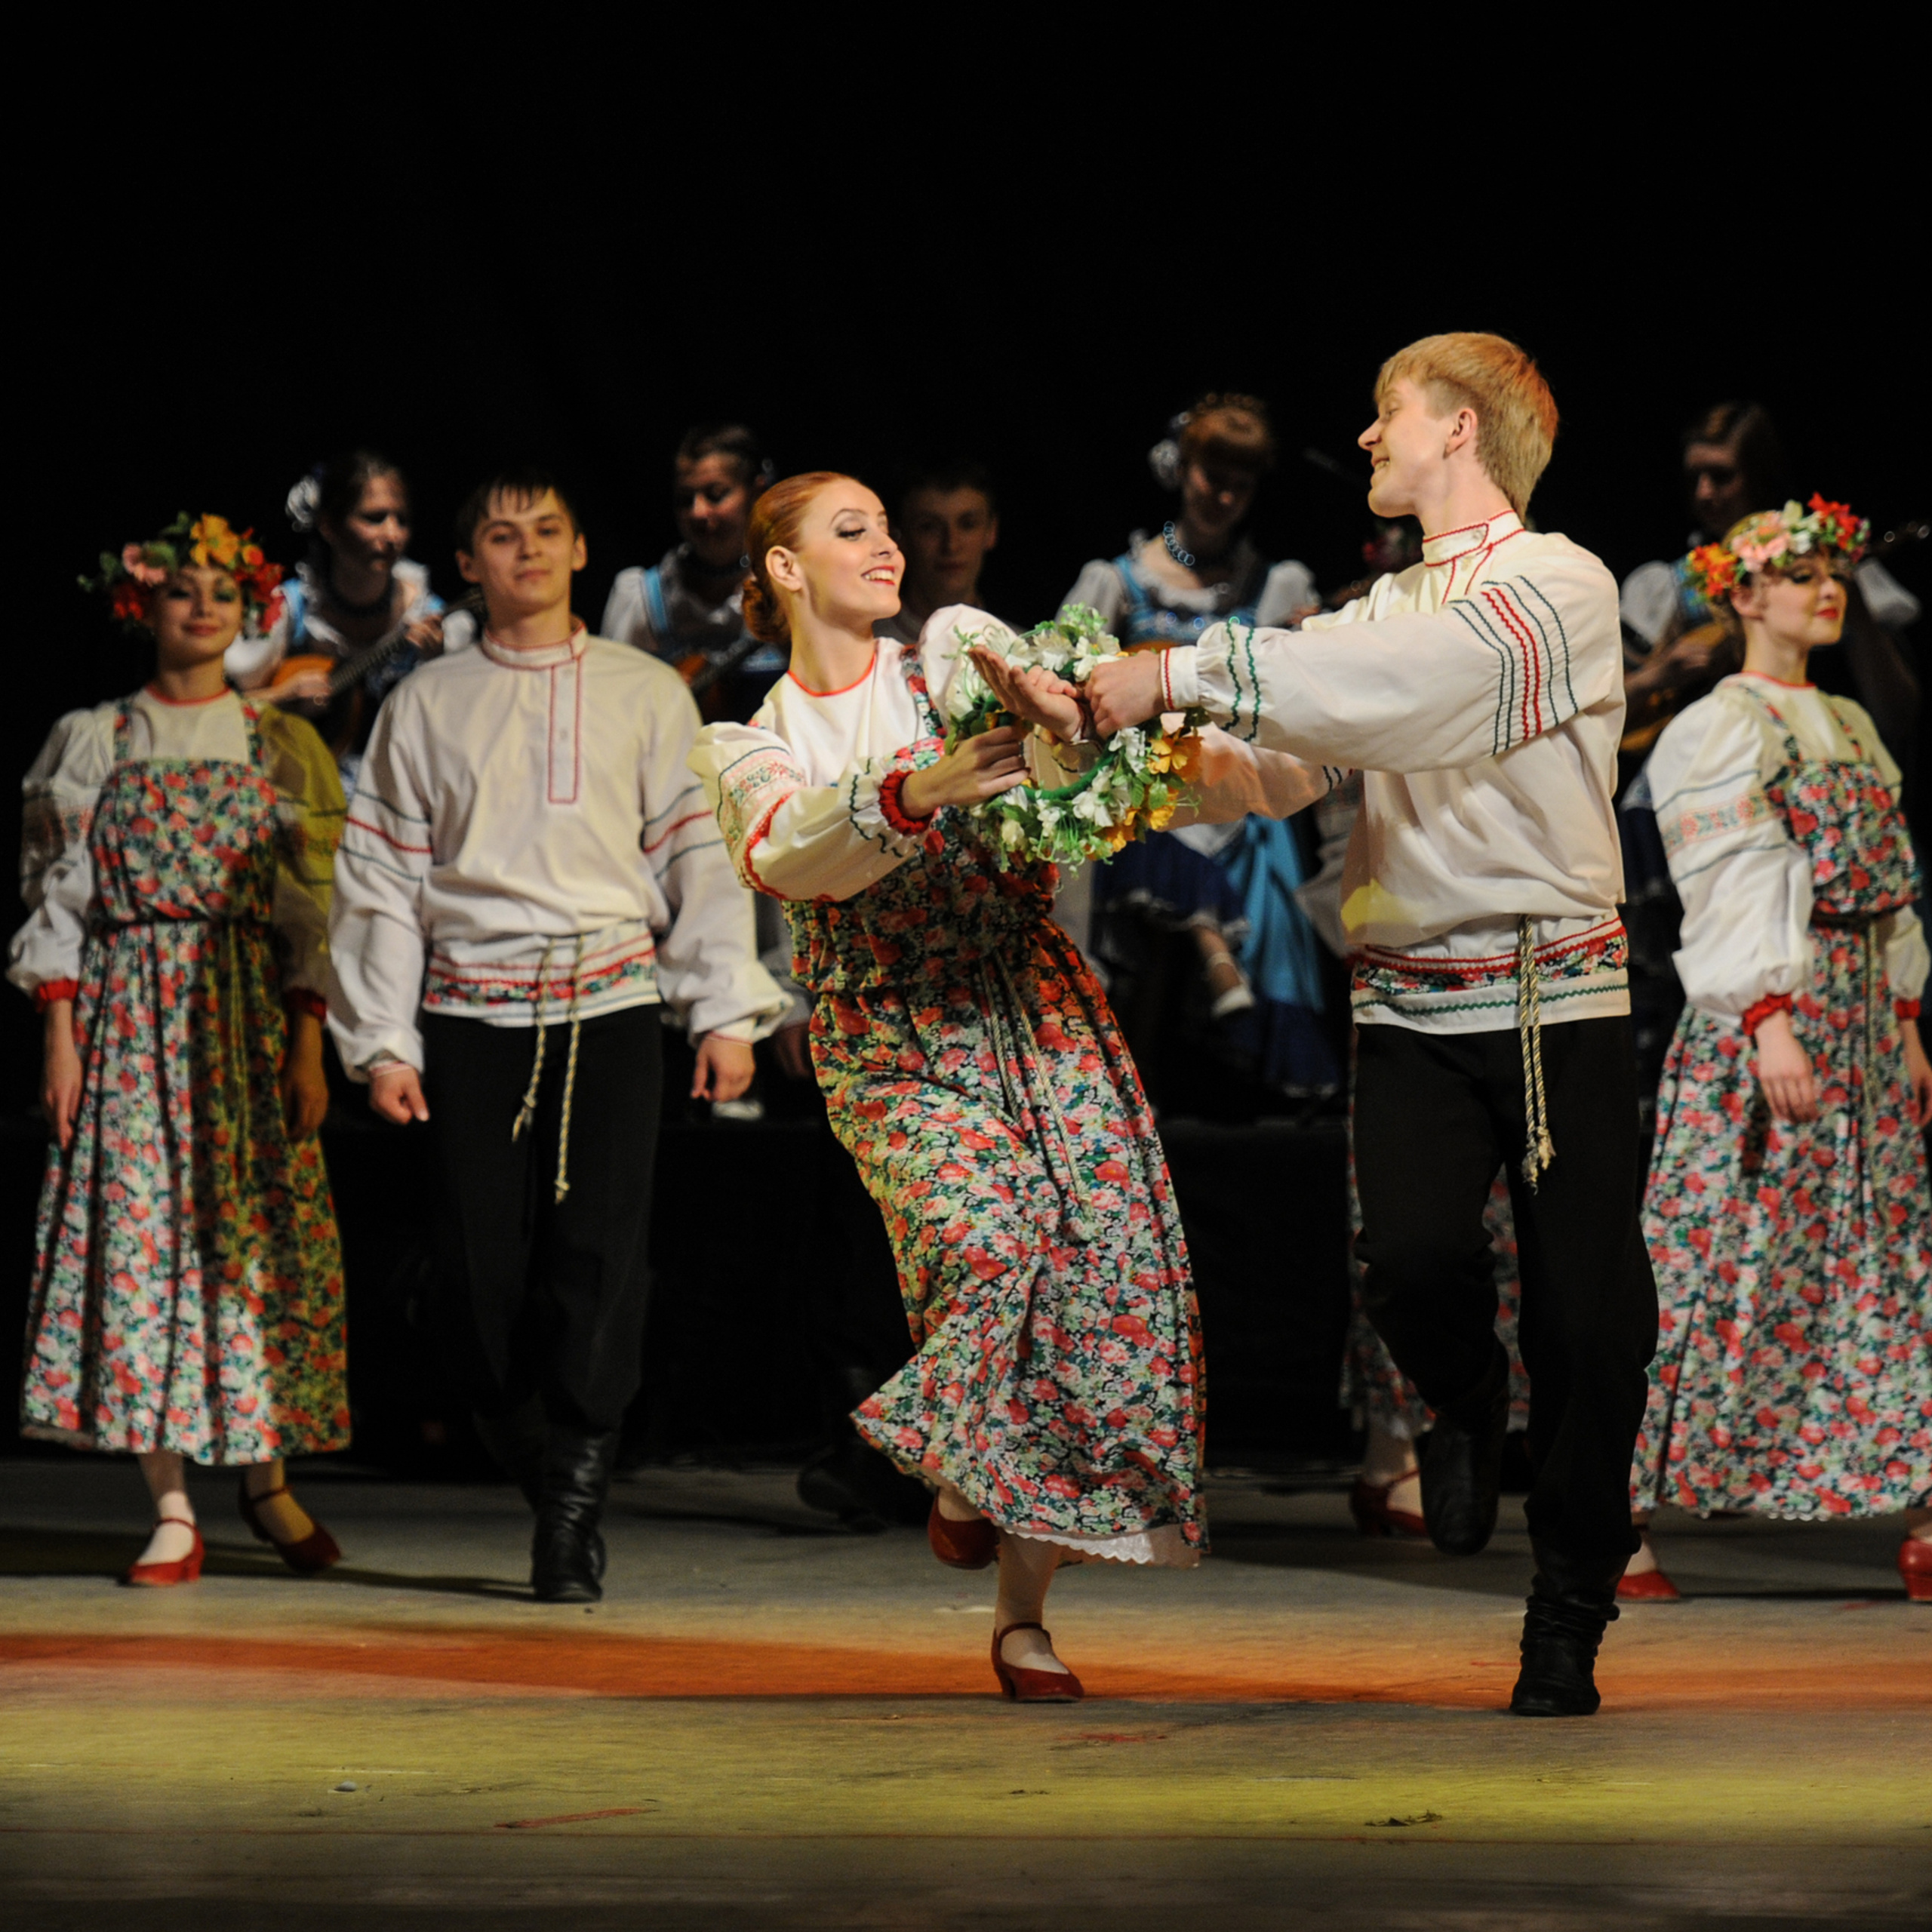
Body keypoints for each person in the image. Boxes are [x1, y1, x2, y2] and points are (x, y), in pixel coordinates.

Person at [1082, 334, 1659, 1718]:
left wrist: (1176, 671)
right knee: (1405, 1269)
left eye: (1387, 414)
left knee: (1591, 1322)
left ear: (1459, 428)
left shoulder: (1556, 583)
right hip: (1408, 996)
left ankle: (1569, 1605)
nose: (1366, 438)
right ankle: (1465, 1402)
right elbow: (1278, 765)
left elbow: (1406, 693)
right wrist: (1108, 755)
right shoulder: (1365, 615)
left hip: (1549, 996)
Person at [688, 473, 1327, 1700]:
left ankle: (1020, 1616)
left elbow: (975, 640)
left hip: (1030, 1005)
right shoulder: (751, 738)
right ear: (781, 568)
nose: (884, 549)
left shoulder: (942, 658)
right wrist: (914, 791)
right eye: (852, 530)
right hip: (893, 1033)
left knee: (1097, 1278)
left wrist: (1049, 700)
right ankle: (956, 1460)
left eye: (887, 527)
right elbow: (784, 853)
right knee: (992, 1239)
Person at [328, 468, 784, 1603]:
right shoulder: (426, 701)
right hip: (473, 1012)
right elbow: (380, 880)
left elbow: (700, 859)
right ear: (469, 562)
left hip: (613, 1006)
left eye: (546, 531)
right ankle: (538, 1461)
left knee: (599, 1259)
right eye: (499, 534)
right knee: (480, 1281)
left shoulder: (644, 691)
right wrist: (382, 1043)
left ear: (582, 550)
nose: (524, 550)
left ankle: (574, 1507)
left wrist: (723, 1008)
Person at [11, 514, 349, 1584]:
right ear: (142, 606)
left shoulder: (274, 741)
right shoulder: (96, 737)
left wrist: (306, 1043)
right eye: (179, 589)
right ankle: (171, 1503)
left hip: (243, 1015)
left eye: (220, 590)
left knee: (250, 1247)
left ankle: (265, 1477)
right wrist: (61, 1040)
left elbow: (309, 912)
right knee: (142, 1249)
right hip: (129, 1020)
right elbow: (57, 902)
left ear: (247, 611)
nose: (200, 606)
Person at [1626, 500, 1932, 1603]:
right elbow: (1726, 883)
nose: (1825, 589)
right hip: (1769, 1017)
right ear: (1744, 594)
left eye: (1833, 573)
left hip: (1858, 1023)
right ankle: (1625, 1516)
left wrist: (1902, 1019)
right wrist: (1766, 1018)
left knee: (1882, 1260)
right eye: (1799, 574)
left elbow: (1892, 881)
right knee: (1717, 1256)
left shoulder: (1851, 720)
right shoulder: (1723, 722)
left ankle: (1918, 1508)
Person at [1063, 396, 1335, 1100]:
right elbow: (1064, 677)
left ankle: (1234, 1048)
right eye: (1211, 475)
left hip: (1237, 792)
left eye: (1240, 484)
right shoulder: (1118, 580)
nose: (1222, 496)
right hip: (1136, 786)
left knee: (1250, 812)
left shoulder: (1275, 586)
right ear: (1178, 470)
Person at [226, 451, 445, 789]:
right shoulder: (291, 608)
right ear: (329, 526)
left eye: (401, 520)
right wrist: (284, 694)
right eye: (374, 518)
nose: (393, 534)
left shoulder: (427, 615)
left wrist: (437, 663)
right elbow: (225, 711)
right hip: (295, 786)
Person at [601, 423, 782, 724]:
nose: (698, 512)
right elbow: (610, 710)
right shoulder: (643, 597)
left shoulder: (787, 589)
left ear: (757, 491)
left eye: (715, 494)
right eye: (685, 499)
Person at [883, 460, 1002, 643]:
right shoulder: (864, 653)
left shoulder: (1028, 655)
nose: (951, 545)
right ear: (900, 536)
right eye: (929, 527)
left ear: (991, 531)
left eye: (967, 524)